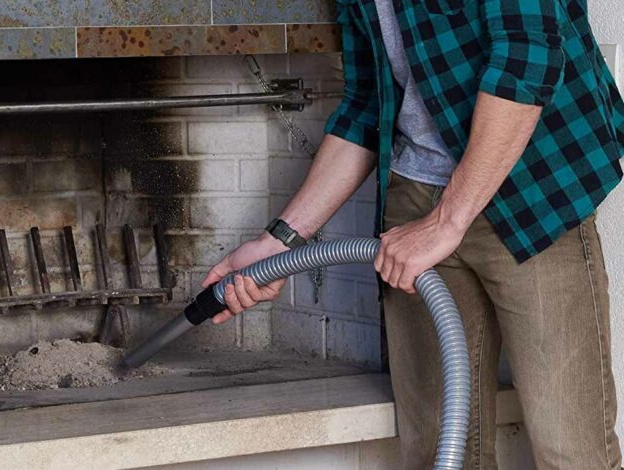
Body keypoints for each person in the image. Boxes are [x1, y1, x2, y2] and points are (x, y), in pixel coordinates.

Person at [201, 0, 624, 468]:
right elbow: (367, 104)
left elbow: (528, 57)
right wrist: (277, 243)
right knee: (438, 450)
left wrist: (446, 223)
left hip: (535, 190)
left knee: (572, 452)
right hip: (412, 200)